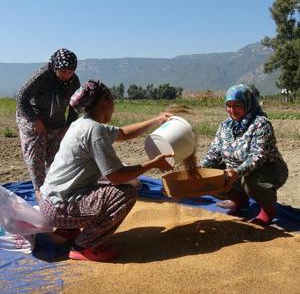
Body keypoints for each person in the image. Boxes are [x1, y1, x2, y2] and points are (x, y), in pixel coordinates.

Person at [39, 80, 173, 261]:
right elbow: (116, 177)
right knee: (126, 193)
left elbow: (123, 133)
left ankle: (68, 230)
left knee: (111, 182)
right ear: (105, 102)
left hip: (49, 203)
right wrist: (153, 163)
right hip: (59, 208)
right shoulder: (94, 130)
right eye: (112, 101)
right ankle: (82, 246)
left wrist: (157, 120)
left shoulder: (82, 123)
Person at [200, 84, 288, 225]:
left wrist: (236, 172)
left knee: (250, 180)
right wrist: (199, 171)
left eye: (237, 105)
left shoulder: (261, 125)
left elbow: (257, 157)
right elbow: (213, 154)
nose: (232, 110)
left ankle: (268, 209)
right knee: (209, 176)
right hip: (236, 171)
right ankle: (239, 198)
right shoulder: (225, 126)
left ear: (247, 103)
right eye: (228, 105)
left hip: (268, 170)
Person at [16, 48, 80, 201]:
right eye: (63, 71)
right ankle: (39, 192)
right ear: (55, 67)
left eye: (70, 71)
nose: (66, 75)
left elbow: (75, 107)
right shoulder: (42, 75)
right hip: (32, 117)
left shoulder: (74, 81)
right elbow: (21, 98)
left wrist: (67, 127)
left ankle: (54, 187)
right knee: (36, 154)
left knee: (57, 155)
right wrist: (35, 120)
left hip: (56, 121)